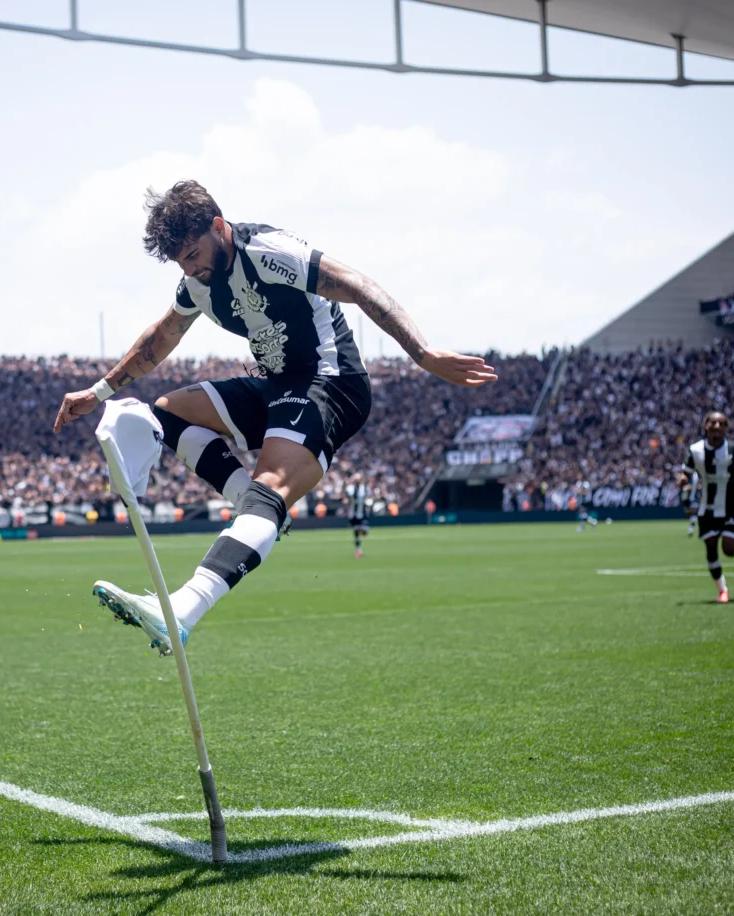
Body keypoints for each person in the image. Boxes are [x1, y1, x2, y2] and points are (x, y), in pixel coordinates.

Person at [53, 180, 497, 654]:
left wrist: (423, 353)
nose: (190, 267)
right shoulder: (196, 286)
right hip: (278, 386)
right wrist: (98, 392)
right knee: (170, 414)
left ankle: (183, 609)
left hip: (331, 383)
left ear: (219, 227)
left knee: (271, 489)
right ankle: (258, 509)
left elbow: (360, 286)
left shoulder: (269, 251)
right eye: (180, 260)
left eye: (193, 252)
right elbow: (157, 341)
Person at [677, 411, 734, 604]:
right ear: (705, 426)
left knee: (729, 549)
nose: (717, 427)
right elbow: (685, 472)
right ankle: (722, 590)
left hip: (730, 507)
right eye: (713, 423)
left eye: (721, 424)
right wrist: (683, 479)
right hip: (707, 509)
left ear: (726, 427)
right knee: (711, 547)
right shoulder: (695, 450)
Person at [344, 473, 371, 558]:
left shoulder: (365, 488)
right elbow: (350, 497)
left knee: (364, 531)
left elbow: (368, 496)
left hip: (362, 513)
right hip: (353, 514)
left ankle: (359, 546)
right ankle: (358, 550)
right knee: (356, 532)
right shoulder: (350, 489)